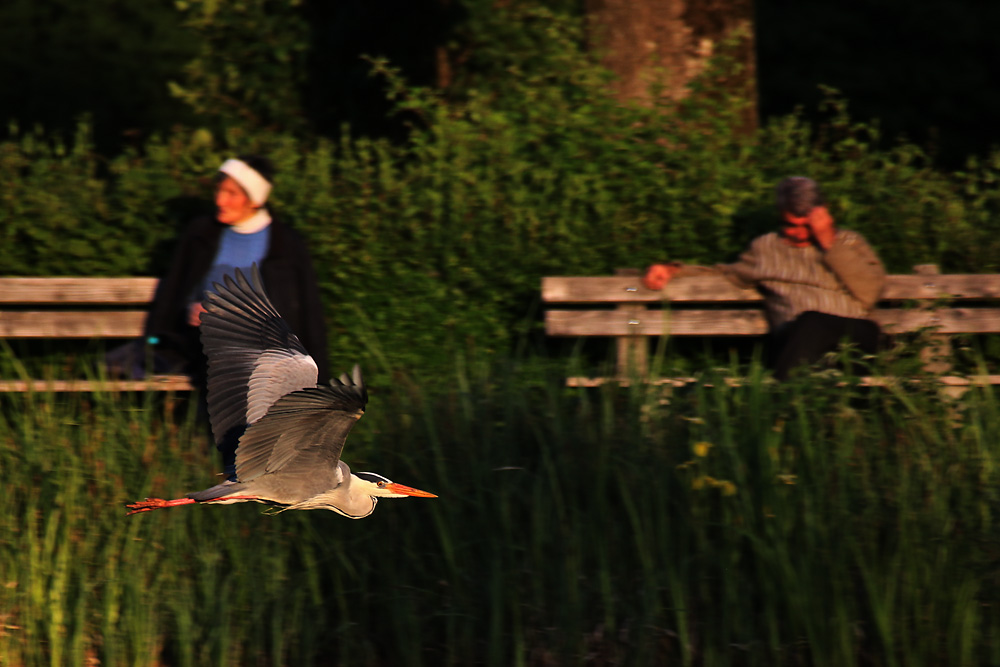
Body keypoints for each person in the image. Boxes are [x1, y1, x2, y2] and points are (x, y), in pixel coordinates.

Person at [107, 155, 329, 384]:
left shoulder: (286, 244)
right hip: (204, 346)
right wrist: (189, 310)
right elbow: (174, 295)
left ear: (255, 199)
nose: (220, 201)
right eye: (219, 191)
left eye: (232, 194)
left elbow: (307, 315)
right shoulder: (201, 234)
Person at [643, 176, 886, 380]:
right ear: (780, 216)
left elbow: (870, 294)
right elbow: (725, 273)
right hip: (797, 342)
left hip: (854, 338)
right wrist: (673, 269)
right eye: (792, 225)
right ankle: (792, 413)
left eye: (808, 226)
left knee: (814, 322)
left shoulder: (849, 242)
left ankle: (779, 411)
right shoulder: (765, 249)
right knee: (808, 326)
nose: (801, 234)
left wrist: (830, 244)